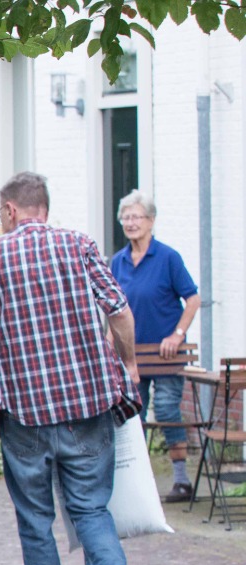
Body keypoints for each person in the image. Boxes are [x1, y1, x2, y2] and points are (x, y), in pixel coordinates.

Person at [0, 171, 140, 565]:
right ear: (44, 207)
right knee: (90, 507)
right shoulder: (80, 245)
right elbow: (119, 311)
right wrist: (128, 363)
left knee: (35, 519)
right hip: (88, 405)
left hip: (25, 415)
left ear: (10, 211)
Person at [110, 190, 201, 503]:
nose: (131, 223)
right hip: (131, 356)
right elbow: (112, 309)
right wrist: (110, 347)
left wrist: (177, 334)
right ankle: (136, 481)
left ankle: (181, 481)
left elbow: (193, 298)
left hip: (165, 356)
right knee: (131, 415)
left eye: (137, 217)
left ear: (151, 220)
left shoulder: (168, 258)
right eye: (126, 217)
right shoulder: (118, 262)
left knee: (166, 409)